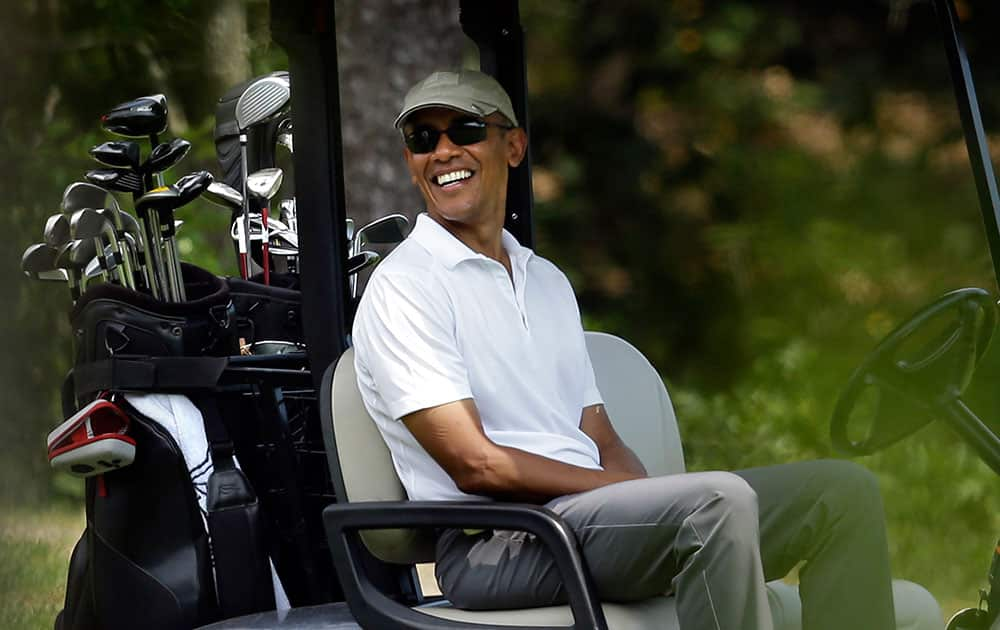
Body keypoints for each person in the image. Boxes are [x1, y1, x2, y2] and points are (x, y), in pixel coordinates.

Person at [351, 69, 896, 630]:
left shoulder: (546, 282)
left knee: (842, 494)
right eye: (422, 139)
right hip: (498, 544)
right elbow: (476, 465)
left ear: (512, 146)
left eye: (464, 130)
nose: (443, 151)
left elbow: (601, 436)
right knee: (715, 505)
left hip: (584, 524)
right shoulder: (406, 287)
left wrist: (637, 494)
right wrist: (630, 493)